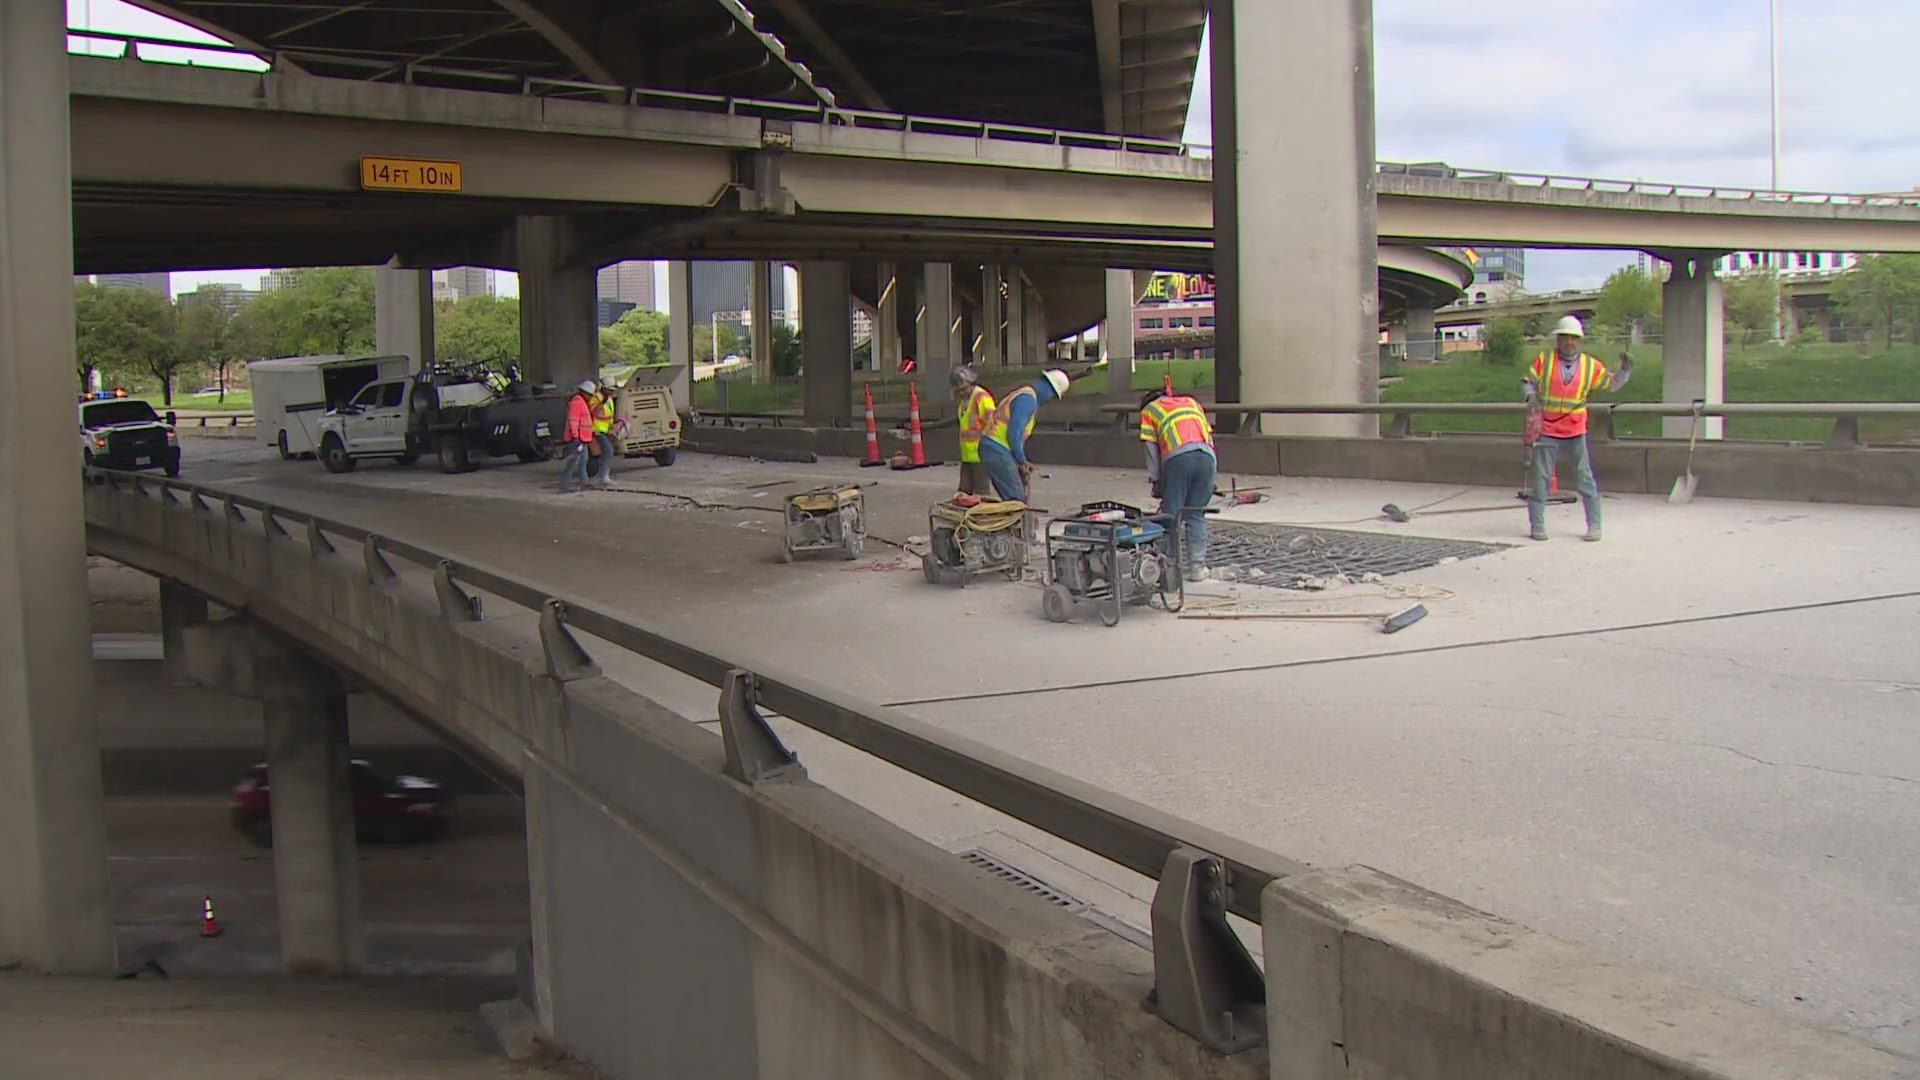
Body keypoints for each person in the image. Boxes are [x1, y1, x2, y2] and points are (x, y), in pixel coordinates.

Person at [1522, 315, 1631, 542]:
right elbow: (1527, 381)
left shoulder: (1590, 366)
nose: (1569, 343)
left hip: (1575, 429)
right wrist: (1530, 396)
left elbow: (1612, 384)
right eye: (1565, 338)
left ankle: (1594, 525)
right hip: (1549, 429)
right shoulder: (1545, 361)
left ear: (1579, 341)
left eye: (1573, 339)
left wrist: (1625, 370)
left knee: (1585, 477)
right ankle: (1538, 525)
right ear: (1558, 340)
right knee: (1541, 479)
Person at [1139, 387, 1217, 580]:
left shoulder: (1150, 411)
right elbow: (1206, 436)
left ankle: (1170, 567)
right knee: (1196, 514)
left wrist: (1157, 480)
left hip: (1177, 459)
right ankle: (1197, 568)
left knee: (1170, 515)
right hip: (1208, 458)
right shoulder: (1191, 402)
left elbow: (1151, 449)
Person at [977, 368, 1070, 502]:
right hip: (997, 448)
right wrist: (1022, 461)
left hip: (994, 447)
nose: (1051, 401)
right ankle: (1005, 522)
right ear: (1050, 390)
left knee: (1010, 497)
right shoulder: (1027, 400)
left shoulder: (1025, 396)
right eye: (1054, 396)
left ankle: (1004, 520)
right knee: (1016, 499)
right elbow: (1014, 433)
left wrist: (1021, 462)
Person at [951, 365, 996, 496]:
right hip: (968, 456)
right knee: (964, 493)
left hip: (980, 455)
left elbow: (992, 423)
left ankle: (984, 515)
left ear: (971, 383)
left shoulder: (982, 398)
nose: (961, 393)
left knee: (982, 493)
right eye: (958, 391)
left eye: (964, 389)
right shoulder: (965, 401)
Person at [558, 379, 597, 493]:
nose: (590, 397)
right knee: (573, 462)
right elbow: (573, 421)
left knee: (582, 461)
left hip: (582, 438)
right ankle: (564, 484)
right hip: (577, 439)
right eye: (590, 395)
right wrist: (575, 437)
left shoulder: (581, 402)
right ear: (584, 393)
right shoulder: (577, 402)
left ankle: (584, 483)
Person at [589, 382, 619, 489]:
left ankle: (601, 476)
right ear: (604, 388)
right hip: (596, 430)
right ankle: (603, 476)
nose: (612, 392)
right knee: (608, 451)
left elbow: (609, 415)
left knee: (606, 453)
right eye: (610, 389)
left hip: (605, 430)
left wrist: (613, 427)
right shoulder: (596, 398)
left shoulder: (609, 399)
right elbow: (594, 412)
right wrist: (602, 403)